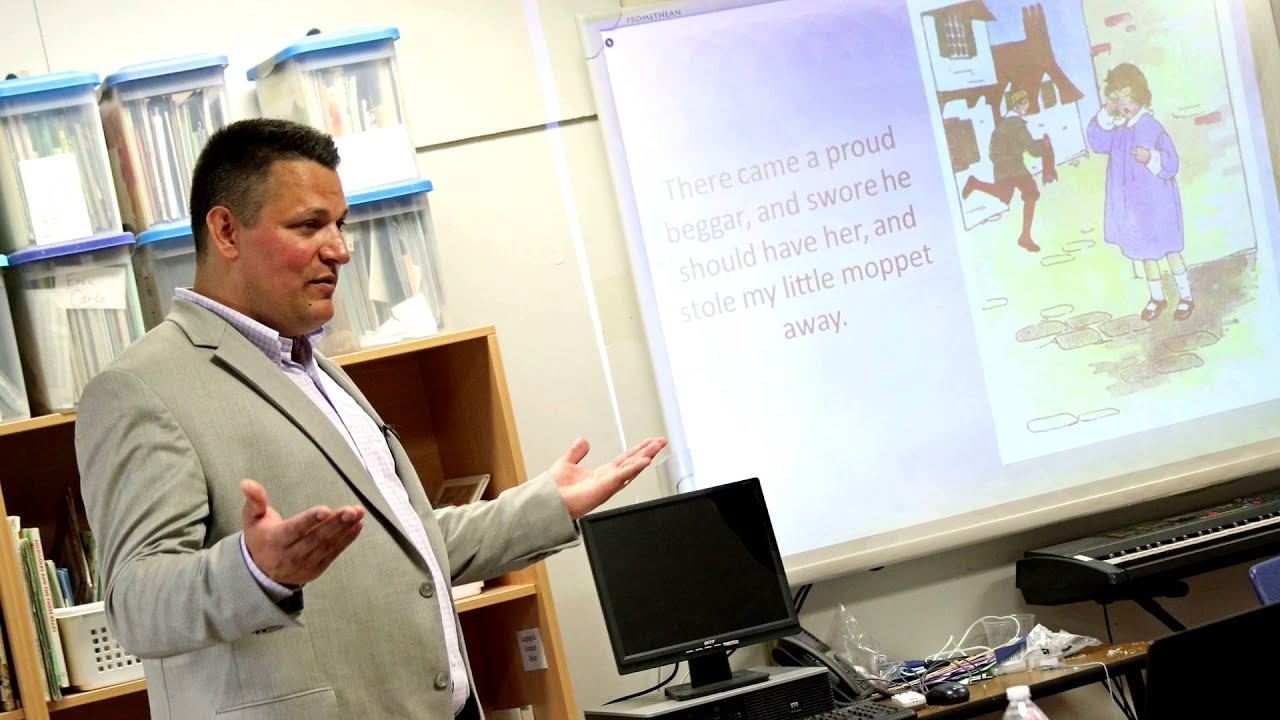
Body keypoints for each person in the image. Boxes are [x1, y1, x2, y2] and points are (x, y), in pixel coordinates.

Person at [74, 118, 666, 720]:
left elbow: (405, 549)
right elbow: (134, 603)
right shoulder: (140, 387)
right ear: (227, 230)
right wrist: (253, 570)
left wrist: (547, 506)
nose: (341, 249)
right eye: (309, 225)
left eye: (340, 225)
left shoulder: (317, 368)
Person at [1086, 63, 1190, 321]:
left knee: (1169, 249)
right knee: (1145, 253)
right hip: (1133, 207)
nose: (1124, 104)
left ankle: (1186, 296)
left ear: (1140, 96)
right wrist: (1107, 111)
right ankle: (1157, 297)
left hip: (1158, 203)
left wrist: (1150, 157)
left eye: (1128, 96)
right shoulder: (1119, 131)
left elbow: (1171, 163)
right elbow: (1097, 142)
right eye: (1118, 97)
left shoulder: (1151, 126)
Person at [962, 88, 1057, 253]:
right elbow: (1032, 149)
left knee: (1003, 194)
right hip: (1013, 166)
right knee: (1031, 193)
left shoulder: (1005, 122)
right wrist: (1045, 144)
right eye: (1026, 103)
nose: (1027, 107)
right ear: (1019, 104)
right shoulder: (1017, 124)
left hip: (1002, 166)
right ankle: (1025, 237)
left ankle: (975, 183)